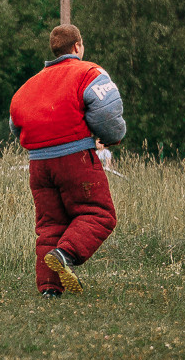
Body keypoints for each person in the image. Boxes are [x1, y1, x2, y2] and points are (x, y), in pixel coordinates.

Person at [9, 24, 126, 297]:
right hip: (75, 159)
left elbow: (15, 124)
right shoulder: (88, 73)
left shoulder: (28, 85)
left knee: (50, 225)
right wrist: (112, 137)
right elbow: (108, 112)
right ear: (77, 47)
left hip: (38, 165)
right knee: (99, 214)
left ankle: (50, 289)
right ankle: (64, 254)